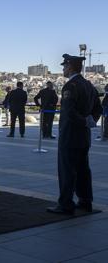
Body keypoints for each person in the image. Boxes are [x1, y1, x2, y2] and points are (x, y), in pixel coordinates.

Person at [47, 54, 102, 215]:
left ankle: (65, 204)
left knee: (66, 169)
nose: (63, 69)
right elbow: (98, 108)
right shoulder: (89, 85)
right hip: (84, 136)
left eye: (64, 66)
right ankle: (85, 201)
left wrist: (84, 121)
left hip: (70, 134)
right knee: (83, 169)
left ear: (70, 67)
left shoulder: (71, 86)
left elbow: (69, 112)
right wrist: (91, 120)